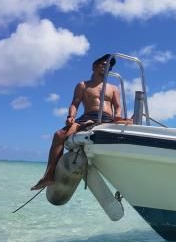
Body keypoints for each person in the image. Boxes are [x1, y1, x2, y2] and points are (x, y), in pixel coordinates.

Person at [31, 54, 130, 190]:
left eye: (109, 65)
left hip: (107, 118)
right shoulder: (83, 85)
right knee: (59, 135)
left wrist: (118, 116)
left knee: (130, 122)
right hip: (87, 116)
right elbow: (75, 103)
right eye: (103, 63)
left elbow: (118, 107)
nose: (106, 66)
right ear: (95, 66)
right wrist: (71, 116)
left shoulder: (113, 88)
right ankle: (48, 175)